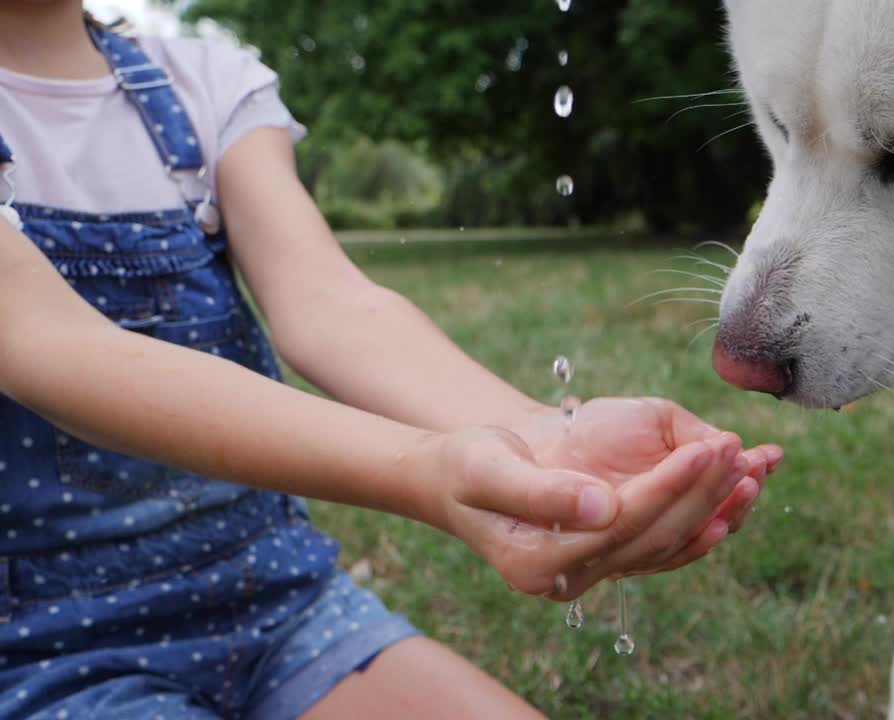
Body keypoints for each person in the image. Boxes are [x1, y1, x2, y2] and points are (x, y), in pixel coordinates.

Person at [0, 3, 781, 718]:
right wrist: (431, 471)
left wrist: (542, 440)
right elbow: (54, 346)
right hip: (38, 652)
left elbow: (329, 304)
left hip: (280, 607)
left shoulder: (202, 83)